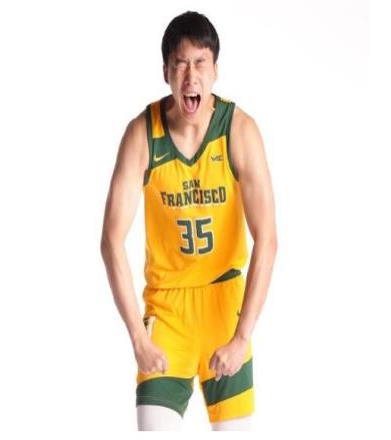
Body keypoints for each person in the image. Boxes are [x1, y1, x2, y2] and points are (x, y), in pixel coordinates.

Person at [100, 10, 277, 431]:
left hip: (225, 306)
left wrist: (242, 337)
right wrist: (138, 337)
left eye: (200, 62)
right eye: (180, 63)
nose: (190, 75)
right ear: (166, 71)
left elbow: (267, 239)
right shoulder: (142, 134)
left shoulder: (239, 130)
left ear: (215, 70)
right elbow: (111, 240)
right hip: (168, 309)